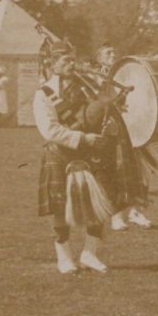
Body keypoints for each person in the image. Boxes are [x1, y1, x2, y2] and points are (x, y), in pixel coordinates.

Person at [34, 39, 117, 274]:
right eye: (66, 60)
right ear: (52, 64)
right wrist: (83, 138)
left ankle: (90, 254)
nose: (71, 64)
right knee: (60, 208)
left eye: (72, 59)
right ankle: (64, 258)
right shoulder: (44, 94)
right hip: (60, 154)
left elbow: (101, 110)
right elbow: (50, 130)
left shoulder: (87, 86)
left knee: (101, 203)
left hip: (90, 154)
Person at [95, 42, 155, 231]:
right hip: (112, 131)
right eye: (108, 52)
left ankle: (136, 212)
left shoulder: (126, 75)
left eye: (113, 51)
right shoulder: (95, 78)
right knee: (116, 173)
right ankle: (116, 216)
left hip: (133, 129)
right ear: (100, 58)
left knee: (140, 172)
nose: (113, 54)